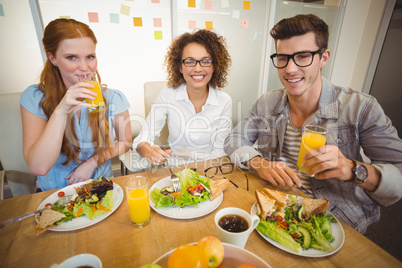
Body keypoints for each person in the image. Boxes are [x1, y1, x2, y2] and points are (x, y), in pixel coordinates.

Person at [224, 14, 402, 233]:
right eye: (282, 58)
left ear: (323, 57)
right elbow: (234, 139)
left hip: (336, 220)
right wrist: (260, 163)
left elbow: (398, 177)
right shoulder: (267, 102)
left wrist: (352, 169)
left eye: (303, 56)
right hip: (275, 208)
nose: (290, 69)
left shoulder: (360, 107)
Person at [21, 18, 132, 191]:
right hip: (55, 193)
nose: (85, 67)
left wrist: (92, 162)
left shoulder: (112, 98)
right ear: (52, 58)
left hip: (101, 187)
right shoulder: (35, 98)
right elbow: (38, 167)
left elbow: (125, 141)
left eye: (90, 57)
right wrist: (61, 110)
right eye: (71, 57)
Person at [133, 29, 232, 166]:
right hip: (176, 169)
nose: (197, 69)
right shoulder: (167, 95)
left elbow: (220, 151)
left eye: (206, 61)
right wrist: (147, 150)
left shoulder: (224, 101)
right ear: (180, 67)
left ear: (215, 66)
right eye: (189, 62)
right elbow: (143, 138)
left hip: (210, 169)